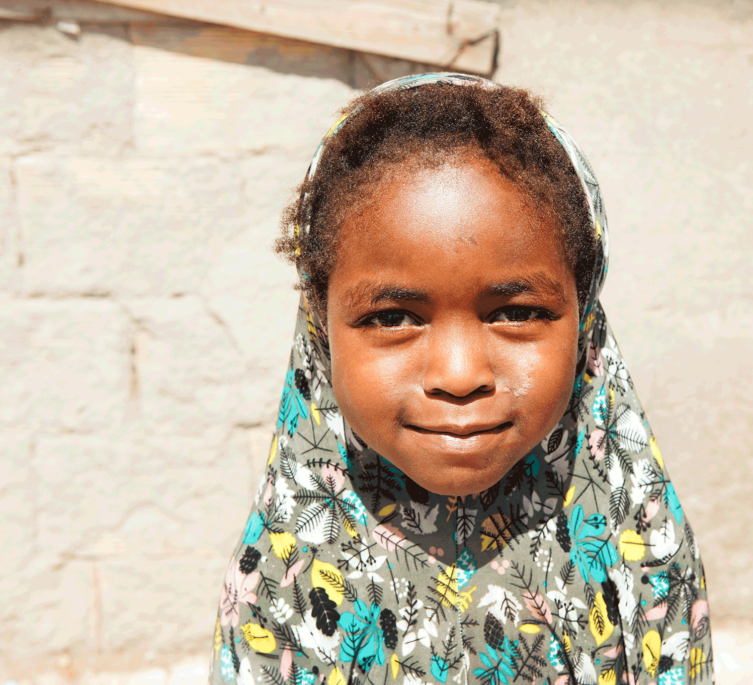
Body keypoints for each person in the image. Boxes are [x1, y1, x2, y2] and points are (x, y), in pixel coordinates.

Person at [210, 73, 713, 685]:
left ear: (583, 319)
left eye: (517, 313)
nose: (458, 376)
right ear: (321, 328)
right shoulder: (278, 585)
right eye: (392, 318)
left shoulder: (645, 554)